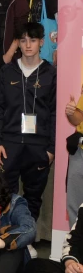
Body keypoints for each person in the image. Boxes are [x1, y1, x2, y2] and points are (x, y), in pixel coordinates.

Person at [0, 21, 56, 221]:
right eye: (23, 40)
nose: (28, 45)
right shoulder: (7, 71)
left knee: (33, 197)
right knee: (3, 194)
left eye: (33, 40)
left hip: (38, 145)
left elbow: (54, 113)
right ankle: (5, 237)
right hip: (8, 144)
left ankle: (26, 239)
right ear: (17, 43)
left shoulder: (51, 73)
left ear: (41, 43)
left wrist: (51, 148)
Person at [65, 93, 83, 226]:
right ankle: (74, 245)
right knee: (75, 206)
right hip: (80, 151)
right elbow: (77, 120)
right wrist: (71, 113)